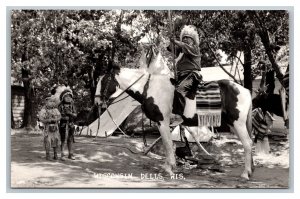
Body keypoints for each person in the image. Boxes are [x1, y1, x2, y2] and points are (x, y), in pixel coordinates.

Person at [169, 25, 202, 124]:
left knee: (180, 90)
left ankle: (179, 116)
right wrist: (171, 40)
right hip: (181, 76)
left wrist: (176, 41)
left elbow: (183, 46)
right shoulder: (182, 52)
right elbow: (172, 49)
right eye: (183, 38)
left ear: (193, 40)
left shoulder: (195, 49)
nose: (185, 40)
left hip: (192, 75)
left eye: (188, 38)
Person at [38, 96, 61, 160]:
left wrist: (56, 119)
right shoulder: (43, 110)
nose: (52, 103)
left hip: (55, 127)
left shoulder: (56, 110)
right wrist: (47, 120)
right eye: (50, 101)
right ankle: (47, 155)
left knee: (55, 140)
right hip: (47, 128)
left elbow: (59, 116)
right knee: (48, 141)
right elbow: (41, 118)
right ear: (46, 102)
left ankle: (55, 154)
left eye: (53, 102)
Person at [58, 88, 77, 160]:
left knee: (70, 139)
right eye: (66, 97)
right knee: (63, 139)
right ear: (63, 98)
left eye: (70, 97)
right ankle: (62, 154)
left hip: (71, 124)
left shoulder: (72, 106)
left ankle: (71, 154)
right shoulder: (60, 106)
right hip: (63, 124)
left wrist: (70, 113)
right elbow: (58, 115)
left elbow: (75, 115)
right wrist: (63, 117)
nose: (68, 98)